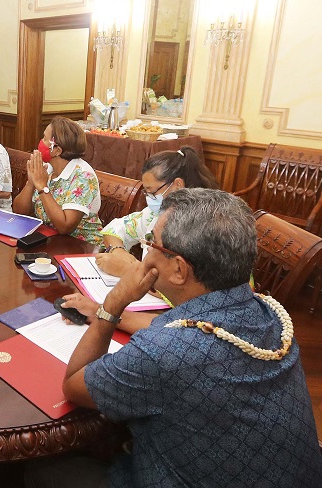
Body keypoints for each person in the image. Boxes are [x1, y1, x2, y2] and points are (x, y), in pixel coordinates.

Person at [27, 188, 322, 488]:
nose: (146, 251)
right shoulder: (273, 316)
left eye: (151, 242)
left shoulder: (163, 352)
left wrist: (114, 303)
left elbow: (74, 384)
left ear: (179, 269)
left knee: (40, 471)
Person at [96, 146, 217, 277]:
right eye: (146, 193)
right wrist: (117, 250)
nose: (149, 198)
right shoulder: (155, 213)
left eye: (152, 192)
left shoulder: (200, 224)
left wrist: (128, 270)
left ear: (178, 185)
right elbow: (113, 230)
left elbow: (179, 282)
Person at [12, 116, 103, 244]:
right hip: (50, 240)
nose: (40, 142)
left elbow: (65, 227)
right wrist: (31, 183)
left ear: (57, 150)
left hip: (82, 246)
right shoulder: (48, 168)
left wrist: (42, 187)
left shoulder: (83, 176)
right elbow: (19, 211)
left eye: (45, 139)